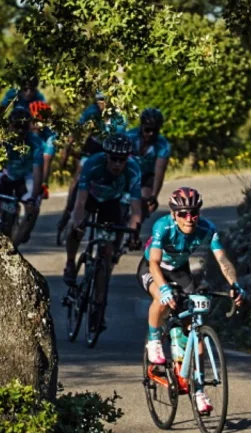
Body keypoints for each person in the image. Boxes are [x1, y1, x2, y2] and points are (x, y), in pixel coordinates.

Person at [137, 186, 245, 414]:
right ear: (174, 214)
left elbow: (222, 259)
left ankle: (198, 390)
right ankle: (155, 340)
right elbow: (154, 264)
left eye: (194, 213)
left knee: (194, 327)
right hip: (153, 268)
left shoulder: (207, 228)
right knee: (162, 298)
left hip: (180, 272)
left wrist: (234, 284)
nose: (189, 219)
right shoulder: (162, 226)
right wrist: (164, 289)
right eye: (184, 214)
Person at [63, 133, 141, 325]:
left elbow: (136, 209)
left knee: (106, 252)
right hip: (89, 198)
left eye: (122, 160)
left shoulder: (133, 169)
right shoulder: (93, 163)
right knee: (74, 228)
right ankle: (71, 263)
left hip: (110, 202)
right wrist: (78, 222)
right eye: (113, 159)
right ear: (106, 156)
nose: (117, 164)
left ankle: (98, 302)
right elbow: (80, 202)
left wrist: (134, 232)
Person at [57, 92, 128, 235]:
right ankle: (69, 208)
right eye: (99, 101)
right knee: (79, 174)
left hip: (111, 149)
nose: (102, 104)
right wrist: (66, 150)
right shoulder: (91, 111)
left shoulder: (119, 118)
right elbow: (76, 132)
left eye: (104, 100)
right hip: (94, 145)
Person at [0, 107, 44, 245]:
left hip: (24, 179)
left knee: (33, 209)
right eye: (17, 126)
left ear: (29, 127)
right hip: (3, 176)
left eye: (24, 127)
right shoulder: (0, 140)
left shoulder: (36, 143)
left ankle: (16, 245)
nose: (20, 130)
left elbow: (38, 172)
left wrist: (33, 197)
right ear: (9, 126)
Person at [127, 107, 171, 223]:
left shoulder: (163, 145)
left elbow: (159, 171)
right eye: (147, 130)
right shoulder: (130, 137)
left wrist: (154, 196)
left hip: (147, 175)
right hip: (128, 171)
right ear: (141, 126)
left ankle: (135, 231)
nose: (150, 134)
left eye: (155, 131)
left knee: (145, 199)